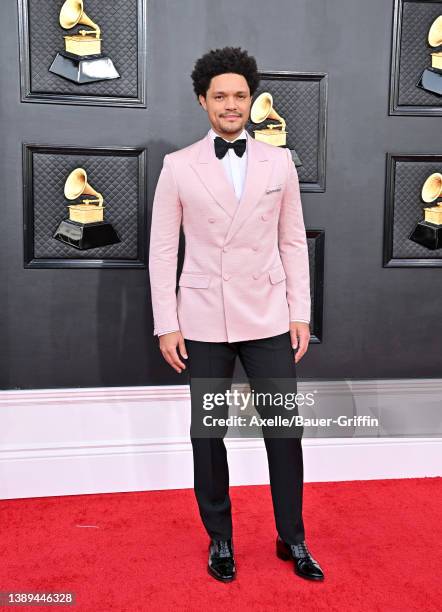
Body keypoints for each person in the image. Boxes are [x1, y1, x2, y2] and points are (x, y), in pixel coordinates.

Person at [149, 46, 324, 583]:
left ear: (251, 100)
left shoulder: (280, 161)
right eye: (220, 96)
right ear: (203, 101)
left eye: (240, 96)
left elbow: (293, 241)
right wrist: (167, 322)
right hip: (202, 319)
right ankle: (220, 539)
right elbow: (161, 249)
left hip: (270, 315)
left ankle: (292, 537)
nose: (231, 105)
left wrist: (301, 312)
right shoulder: (178, 167)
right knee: (208, 434)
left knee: (283, 431)